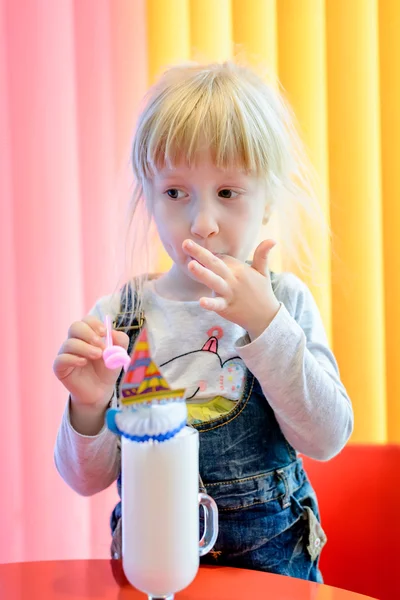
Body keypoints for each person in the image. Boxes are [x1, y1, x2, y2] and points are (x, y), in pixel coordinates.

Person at [53, 61, 353, 582]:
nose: (202, 223)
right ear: (149, 196)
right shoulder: (120, 319)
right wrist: (88, 403)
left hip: (272, 573)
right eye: (176, 193)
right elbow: (86, 480)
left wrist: (267, 326)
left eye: (228, 193)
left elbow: (326, 437)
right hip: (151, 572)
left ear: (266, 202)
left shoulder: (285, 301)